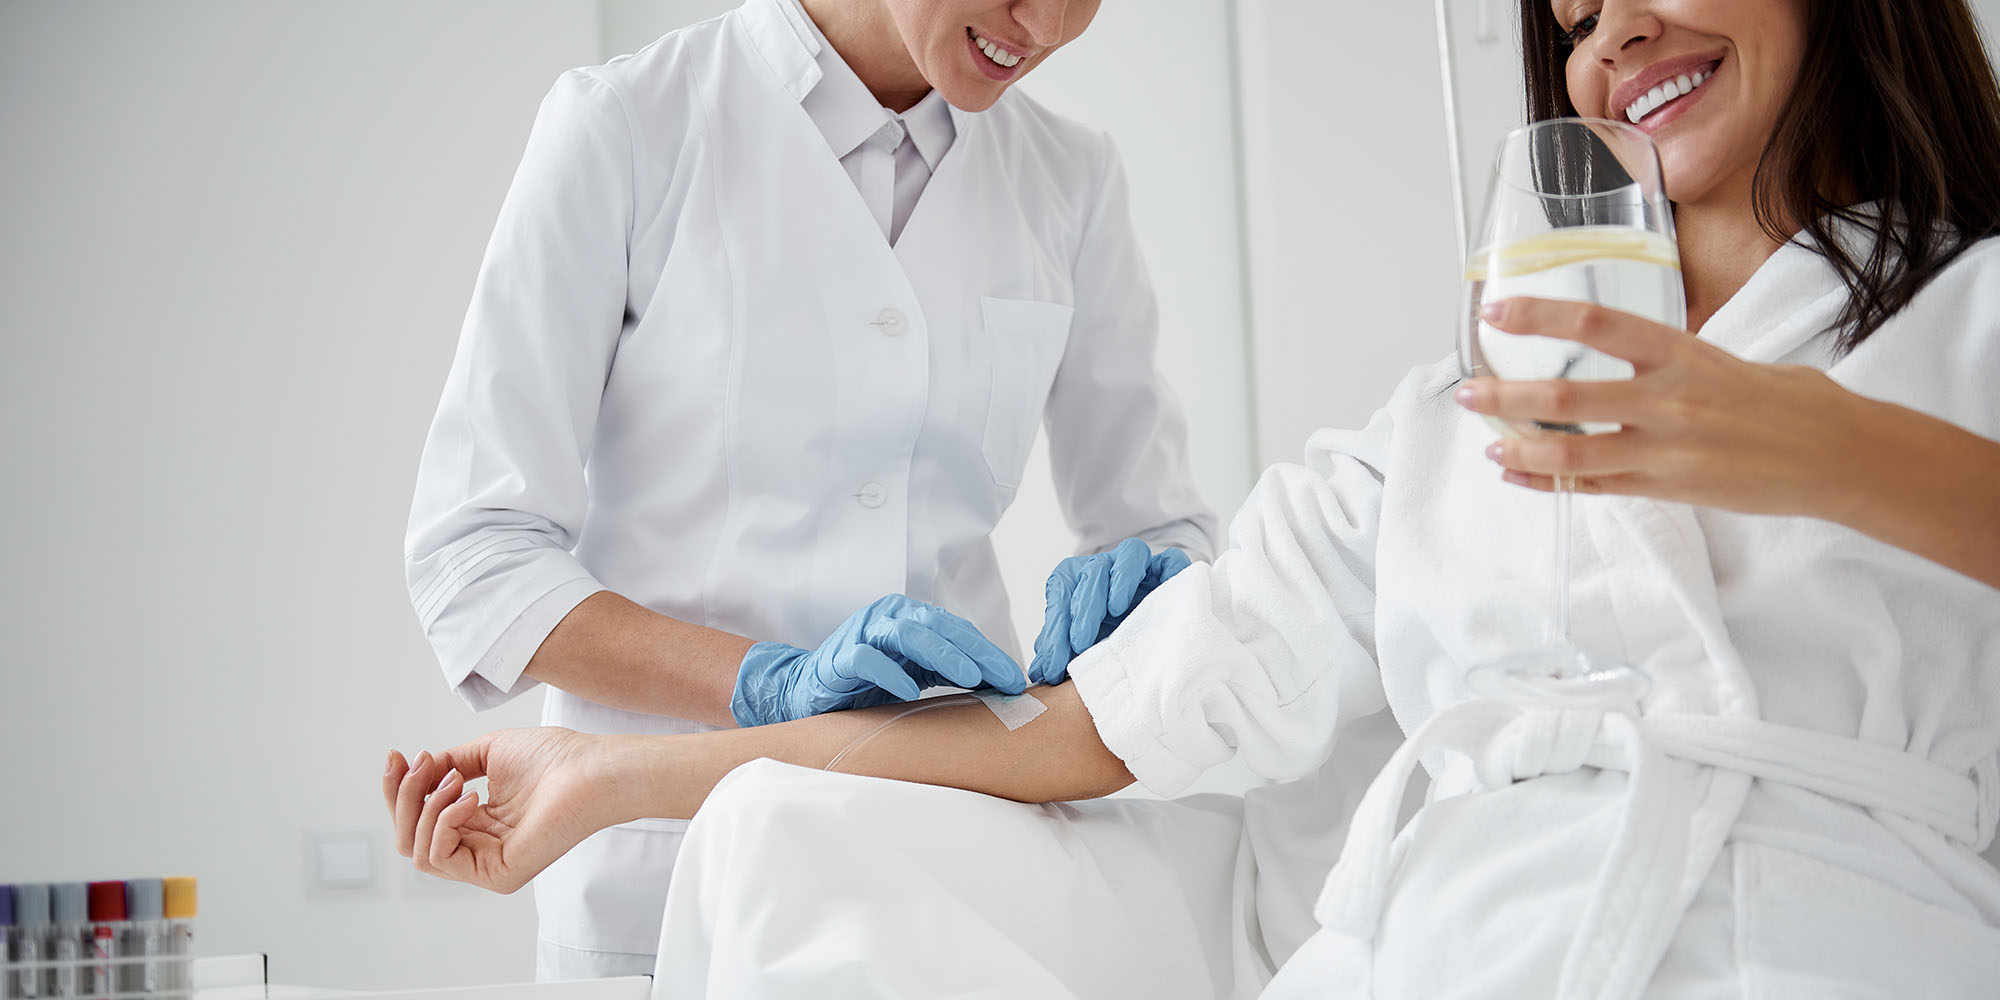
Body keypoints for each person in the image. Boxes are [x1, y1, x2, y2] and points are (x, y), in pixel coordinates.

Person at [388, 0, 2000, 995]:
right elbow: (1100, 713)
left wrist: (1813, 443)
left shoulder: (1974, 316)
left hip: (1825, 936)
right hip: (1460, 941)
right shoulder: (1448, 418)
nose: (1606, 36)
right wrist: (617, 772)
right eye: (1571, 13)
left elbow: (1149, 530)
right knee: (797, 848)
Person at [399, 0, 1219, 979]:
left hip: (958, 865)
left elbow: (1154, 519)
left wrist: (1151, 585)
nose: (1042, 20)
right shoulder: (628, 124)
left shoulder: (1068, 180)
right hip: (664, 879)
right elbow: (477, 552)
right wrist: (765, 683)